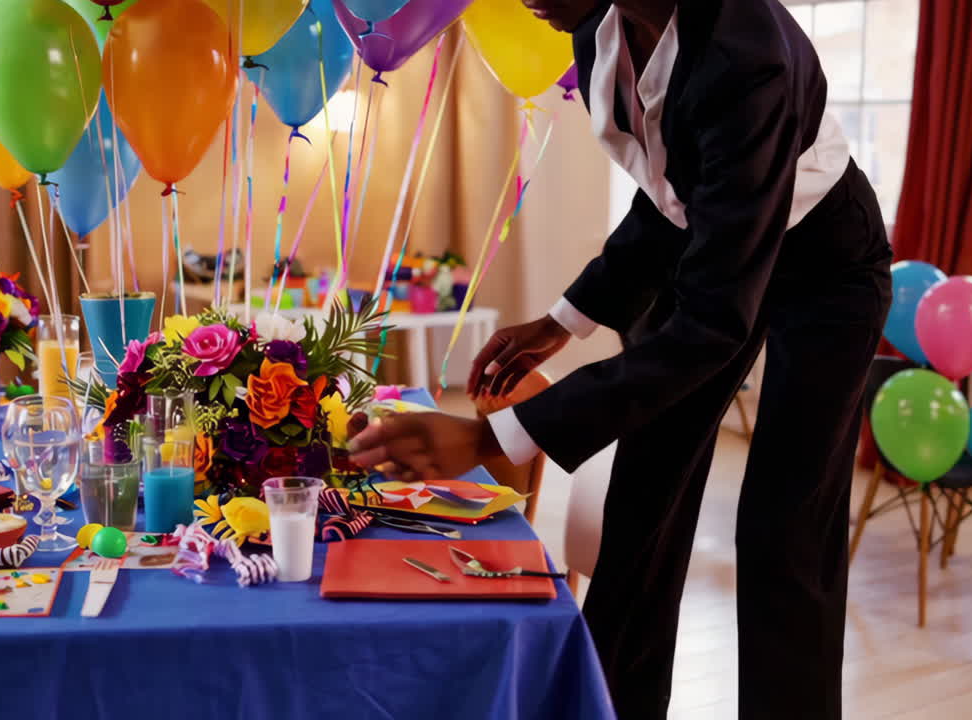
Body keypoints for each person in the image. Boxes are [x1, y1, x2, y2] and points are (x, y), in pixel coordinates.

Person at [349, 0, 893, 717]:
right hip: (716, 259)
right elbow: (669, 197)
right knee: (643, 501)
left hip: (826, 272)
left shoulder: (748, 59)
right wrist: (563, 320)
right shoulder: (593, 27)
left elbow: (711, 325)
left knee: (784, 531)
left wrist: (489, 439)